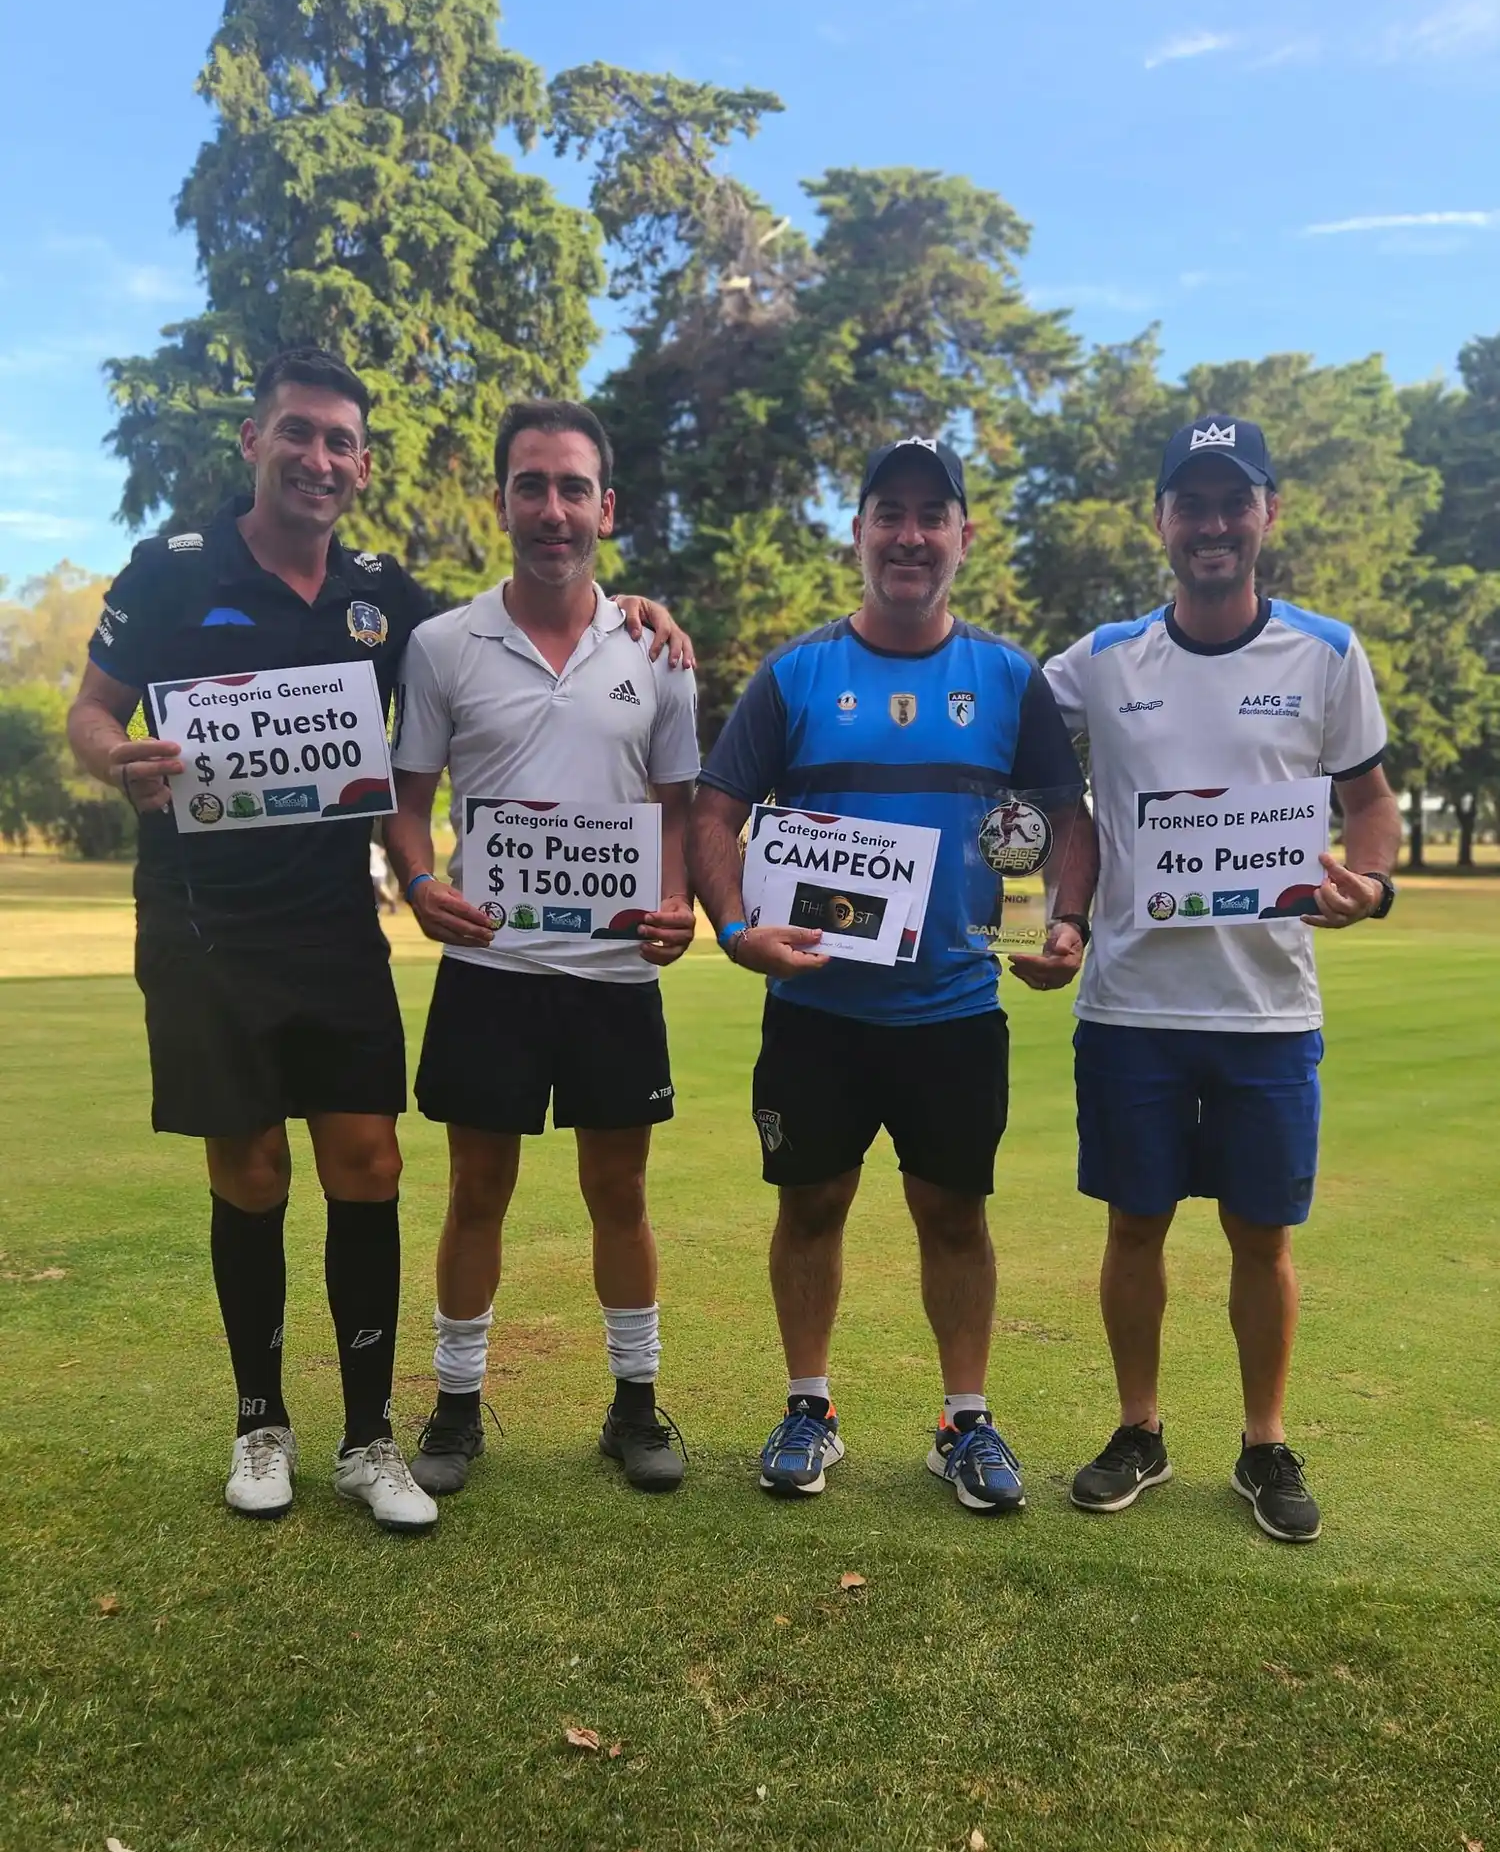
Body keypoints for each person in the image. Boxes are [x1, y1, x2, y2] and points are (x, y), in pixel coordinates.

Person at [67, 350, 688, 1531]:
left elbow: (525, 631)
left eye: (341, 442)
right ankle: (263, 1421)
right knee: (249, 1169)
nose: (319, 457)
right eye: (298, 433)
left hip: (335, 924)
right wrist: (111, 755)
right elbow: (92, 710)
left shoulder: (383, 595)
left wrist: (635, 613)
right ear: (255, 438)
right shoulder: (167, 573)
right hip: (202, 926)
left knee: (372, 1163)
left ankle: (366, 1437)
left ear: (361, 464)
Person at [690, 437, 1093, 1514]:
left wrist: (1068, 923)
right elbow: (716, 813)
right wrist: (734, 929)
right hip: (815, 1009)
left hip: (955, 1012)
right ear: (857, 531)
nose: (909, 535)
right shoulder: (796, 675)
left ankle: (965, 1420)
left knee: (953, 1212)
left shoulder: (1009, 680)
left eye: (932, 515)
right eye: (888, 513)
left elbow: (1066, 820)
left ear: (963, 536)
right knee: (811, 1201)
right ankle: (808, 1405)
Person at [1033, 414, 1400, 1544]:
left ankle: (1261, 1441)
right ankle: (1140, 1427)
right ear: (1162, 520)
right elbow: (992, 714)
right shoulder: (1100, 661)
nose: (1211, 523)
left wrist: (1373, 886)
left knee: (1262, 1239)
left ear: (1267, 514)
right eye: (1190, 502)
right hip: (1132, 1007)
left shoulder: (1327, 653)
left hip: (1267, 1010)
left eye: (1232, 500)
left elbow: (1371, 802)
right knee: (1133, 1228)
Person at [385, 401, 699, 1497]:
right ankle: (458, 1408)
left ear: (605, 507)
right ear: (504, 500)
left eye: (574, 487)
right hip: (492, 969)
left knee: (622, 1194)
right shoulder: (440, 645)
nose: (553, 508)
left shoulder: (657, 650)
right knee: (477, 1192)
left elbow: (675, 809)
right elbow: (406, 800)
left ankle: (635, 1405)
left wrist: (675, 906)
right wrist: (422, 882)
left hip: (614, 975)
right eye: (533, 485)